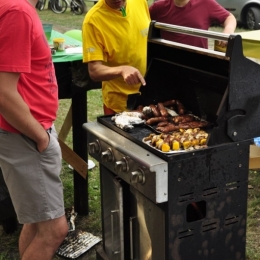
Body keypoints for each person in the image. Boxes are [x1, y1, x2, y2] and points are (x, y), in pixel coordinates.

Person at [0, 0, 68, 259]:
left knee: (37, 221)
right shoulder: (17, 10)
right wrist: (40, 137)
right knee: (53, 230)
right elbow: (4, 95)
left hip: (22, 134)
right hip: (25, 135)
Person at [82, 0, 151, 114]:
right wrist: (122, 70)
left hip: (150, 97)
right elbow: (94, 71)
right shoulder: (93, 20)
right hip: (120, 105)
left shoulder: (140, 2)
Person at [149, 0, 237, 49]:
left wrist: (228, 31)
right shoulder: (158, 7)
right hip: (169, 62)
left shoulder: (206, 3)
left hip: (198, 62)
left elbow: (229, 17)